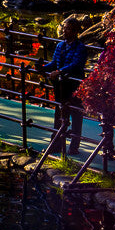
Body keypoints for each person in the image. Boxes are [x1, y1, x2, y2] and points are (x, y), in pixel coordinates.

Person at [38, 16, 88, 154]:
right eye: (64, 28)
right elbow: (54, 63)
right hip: (60, 85)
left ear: (74, 31)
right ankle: (56, 143)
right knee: (59, 113)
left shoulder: (80, 47)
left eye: (67, 29)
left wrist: (59, 71)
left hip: (74, 85)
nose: (64, 31)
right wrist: (43, 68)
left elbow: (76, 65)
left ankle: (74, 146)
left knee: (76, 114)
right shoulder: (60, 45)